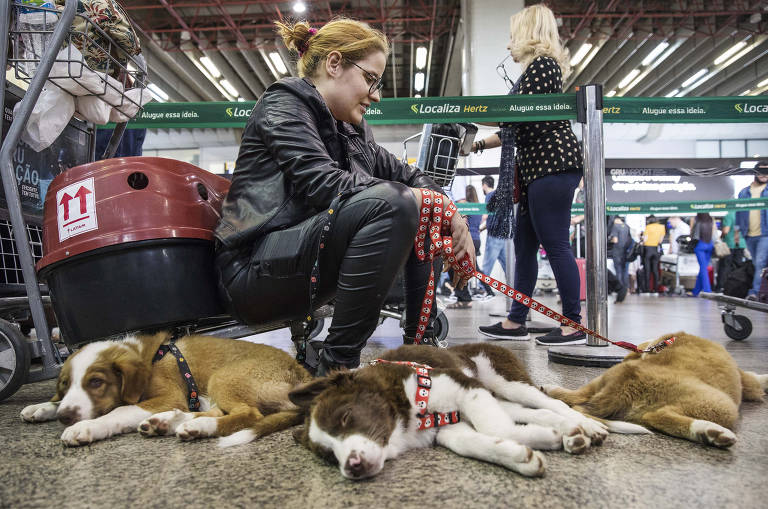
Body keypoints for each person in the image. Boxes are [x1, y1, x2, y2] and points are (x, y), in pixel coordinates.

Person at [213, 19, 474, 375]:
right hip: (252, 270)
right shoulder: (284, 103)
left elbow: (412, 176)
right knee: (400, 202)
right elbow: (323, 183)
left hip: (297, 260)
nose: (376, 95)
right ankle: (337, 370)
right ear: (334, 64)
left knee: (421, 205)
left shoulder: (352, 130)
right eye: (371, 79)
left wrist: (454, 215)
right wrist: (424, 201)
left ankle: (421, 352)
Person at [476, 4, 585, 346]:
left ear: (528, 35)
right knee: (524, 247)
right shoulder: (536, 72)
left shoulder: (543, 66)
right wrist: (477, 145)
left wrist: (465, 112)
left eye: (513, 36)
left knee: (555, 244)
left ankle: (572, 324)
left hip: (552, 165)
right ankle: (515, 321)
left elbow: (513, 117)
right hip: (537, 169)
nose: (509, 44)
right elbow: (516, 125)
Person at [447, 185, 483, 309]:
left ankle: (464, 298)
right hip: (476, 239)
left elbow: (461, 222)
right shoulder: (478, 207)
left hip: (466, 239)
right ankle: (464, 297)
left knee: (456, 268)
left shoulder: (464, 207)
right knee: (467, 268)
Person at [735, 172, 768, 300]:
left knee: (760, 262)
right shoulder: (744, 192)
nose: (764, 174)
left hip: (765, 233)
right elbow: (738, 211)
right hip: (749, 234)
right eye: (761, 171)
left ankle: (755, 292)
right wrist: (737, 231)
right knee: (756, 263)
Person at [477, 176, 506, 297]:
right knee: (507, 265)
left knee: (487, 265)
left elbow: (487, 216)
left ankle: (482, 288)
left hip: (494, 235)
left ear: (484, 185)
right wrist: (481, 229)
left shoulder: (489, 196)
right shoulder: (499, 195)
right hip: (504, 235)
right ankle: (516, 287)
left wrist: (475, 226)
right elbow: (494, 217)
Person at [716, 209, 747, 292]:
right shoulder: (743, 214)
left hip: (730, 244)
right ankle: (734, 287)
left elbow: (726, 230)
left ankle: (721, 287)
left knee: (725, 266)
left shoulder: (729, 215)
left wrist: (720, 237)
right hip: (741, 244)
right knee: (737, 267)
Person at [690, 213, 715, 296]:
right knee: (703, 268)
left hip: (700, 245)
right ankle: (696, 291)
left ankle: (707, 290)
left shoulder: (698, 220)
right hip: (710, 245)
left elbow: (694, 235)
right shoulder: (711, 220)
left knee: (703, 268)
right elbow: (714, 233)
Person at [641, 215, 665, 293]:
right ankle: (656, 288)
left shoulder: (648, 227)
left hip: (648, 249)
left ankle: (647, 288)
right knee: (655, 269)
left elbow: (645, 239)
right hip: (656, 249)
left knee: (647, 269)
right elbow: (660, 240)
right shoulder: (662, 227)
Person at [608, 216, 631, 289]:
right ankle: (626, 288)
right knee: (625, 270)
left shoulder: (615, 226)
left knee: (618, 271)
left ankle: (620, 288)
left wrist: (609, 240)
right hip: (625, 252)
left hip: (617, 251)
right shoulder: (627, 227)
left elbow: (615, 240)